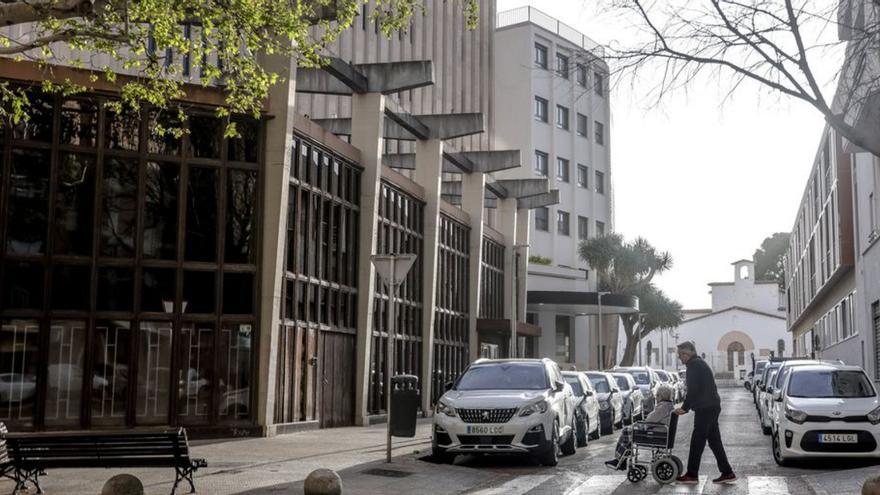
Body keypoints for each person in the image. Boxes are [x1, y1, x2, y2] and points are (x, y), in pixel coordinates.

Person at [673, 341, 736, 484]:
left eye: (680, 354)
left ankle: (692, 474)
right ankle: (727, 472)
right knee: (714, 441)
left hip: (705, 408)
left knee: (697, 441)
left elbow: (693, 390)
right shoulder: (698, 363)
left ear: (687, 353)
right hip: (711, 406)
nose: (679, 358)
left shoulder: (694, 365)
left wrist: (684, 408)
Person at [604, 383, 676, 470]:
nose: (656, 397)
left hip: (656, 434)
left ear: (662, 396)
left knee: (626, 431)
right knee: (629, 431)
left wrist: (642, 422)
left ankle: (620, 460)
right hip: (660, 432)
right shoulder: (669, 405)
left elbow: (650, 420)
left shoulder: (663, 407)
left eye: (657, 395)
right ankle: (622, 459)